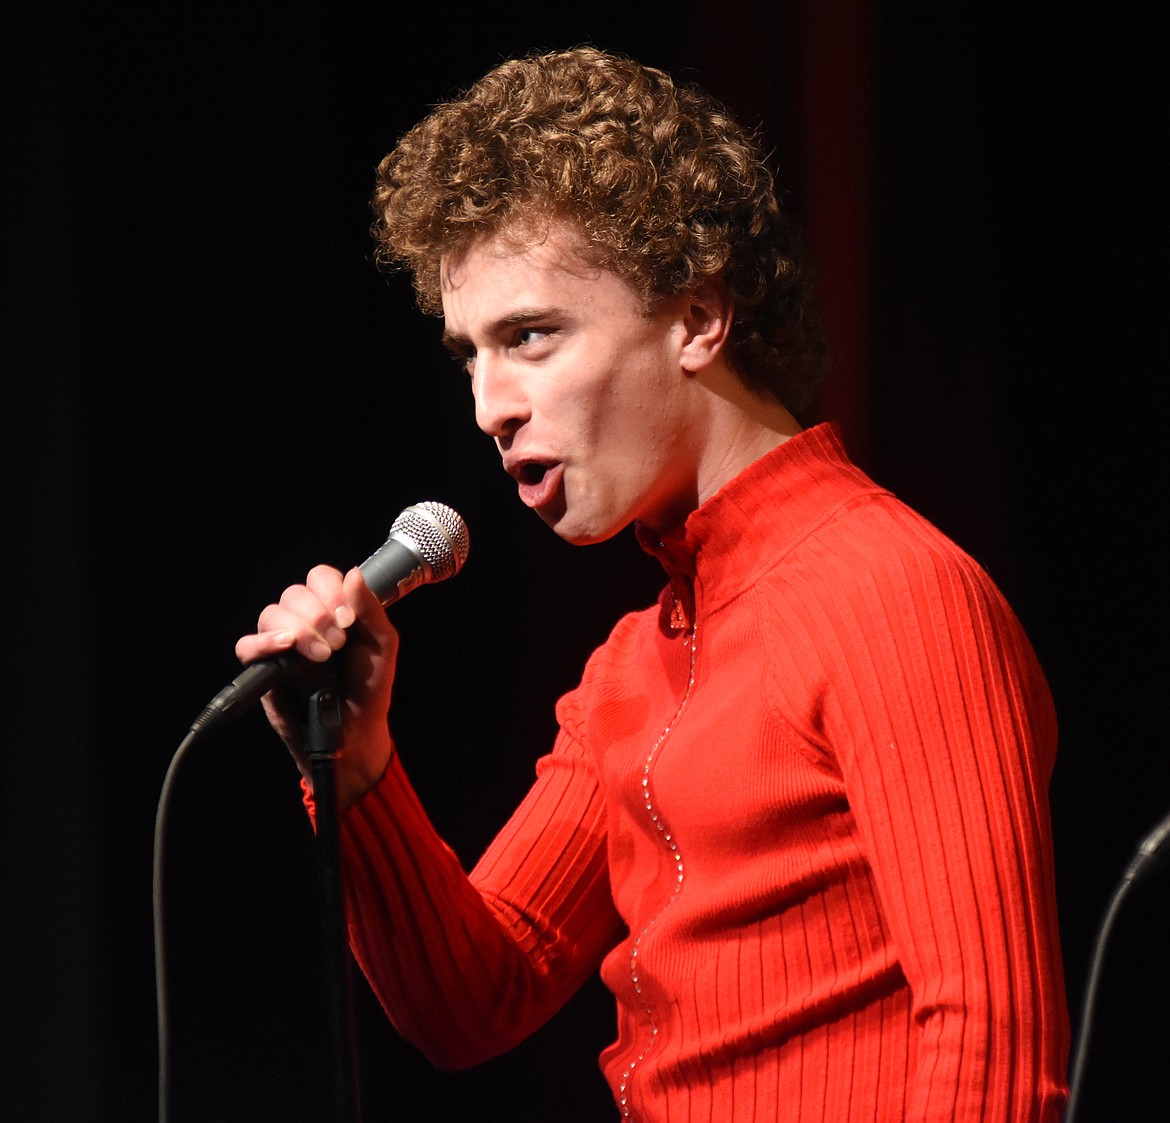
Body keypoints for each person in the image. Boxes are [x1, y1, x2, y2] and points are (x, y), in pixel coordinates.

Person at [235, 47, 1069, 1120]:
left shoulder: (891, 591)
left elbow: (995, 1050)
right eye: (469, 356)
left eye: (531, 337)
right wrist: (356, 771)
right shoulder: (637, 662)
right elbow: (478, 996)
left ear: (696, 319)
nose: (491, 405)